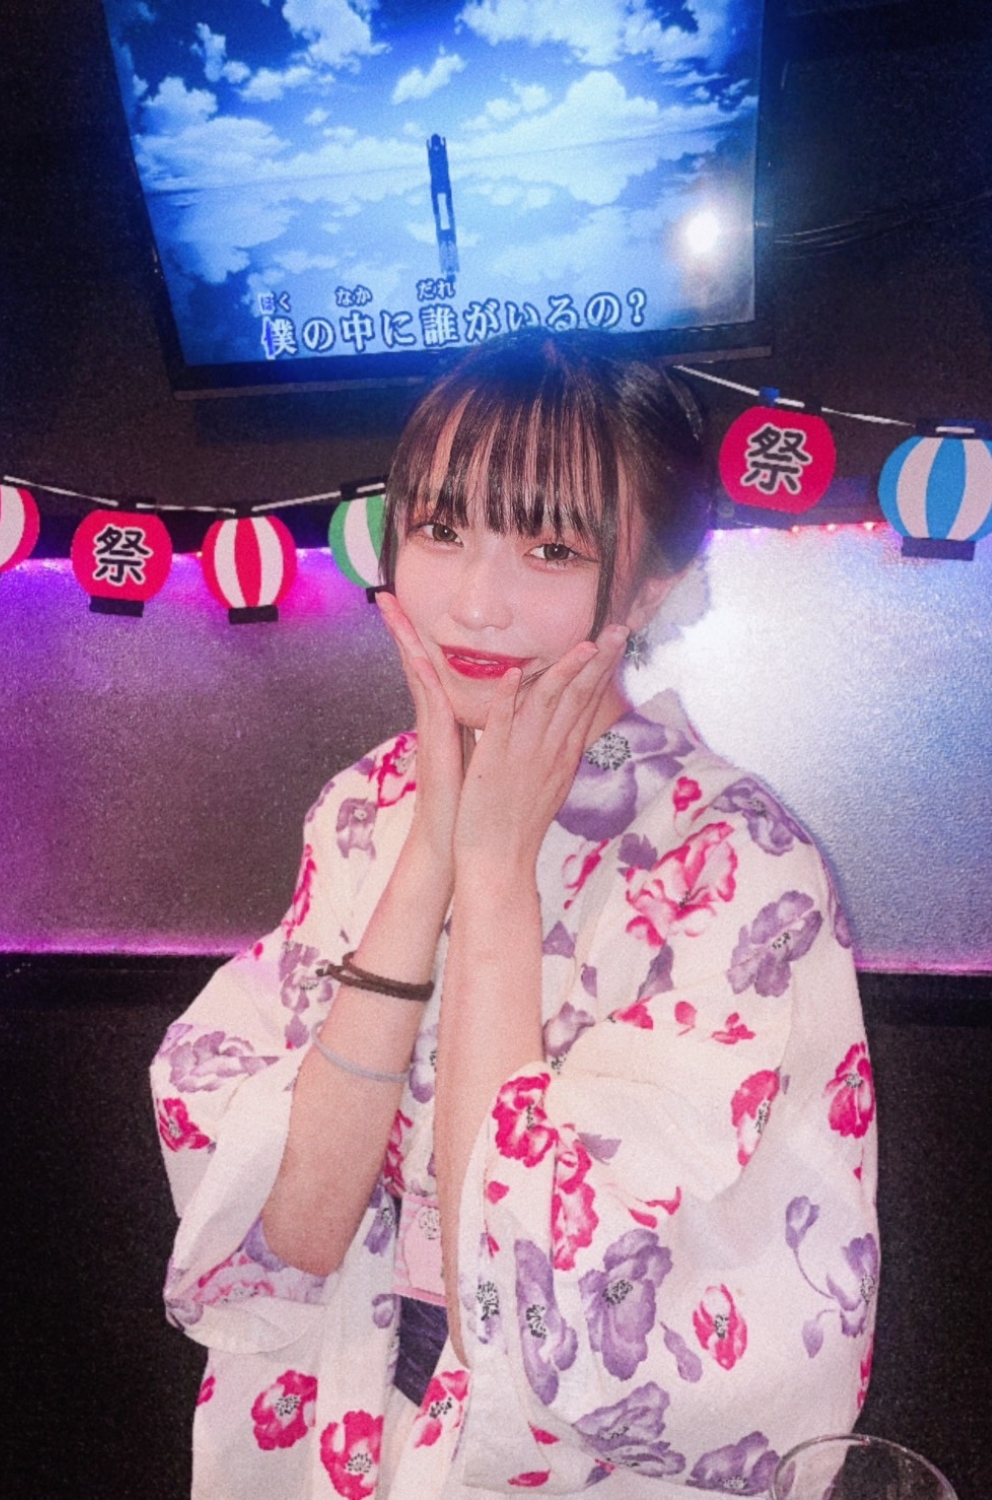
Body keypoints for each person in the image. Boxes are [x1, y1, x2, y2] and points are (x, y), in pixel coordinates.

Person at [152, 332, 878, 1500]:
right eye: (441, 529)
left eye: (549, 548)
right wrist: (428, 850)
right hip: (355, 1394)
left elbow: (523, 1304)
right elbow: (296, 1234)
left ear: (650, 582)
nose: (474, 603)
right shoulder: (363, 807)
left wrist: (491, 876)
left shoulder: (738, 863)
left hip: (566, 1456)